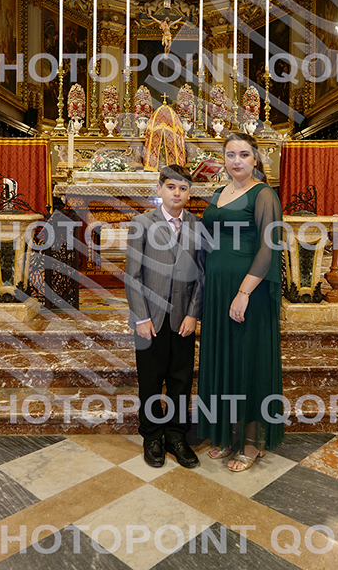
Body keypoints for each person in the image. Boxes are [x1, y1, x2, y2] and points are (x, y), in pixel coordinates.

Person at [197, 132, 284, 471]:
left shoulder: (263, 194)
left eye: (244, 154)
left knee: (248, 361)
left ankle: (250, 442)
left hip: (249, 290)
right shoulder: (219, 193)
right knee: (223, 358)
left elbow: (269, 246)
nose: (236, 161)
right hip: (218, 289)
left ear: (256, 159)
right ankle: (226, 434)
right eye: (230, 154)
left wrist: (244, 292)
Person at [124, 164, 205, 469]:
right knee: (150, 379)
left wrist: (193, 314)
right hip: (150, 318)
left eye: (183, 188)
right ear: (159, 189)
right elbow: (132, 275)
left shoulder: (197, 226)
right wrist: (141, 318)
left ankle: (176, 435)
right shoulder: (142, 223)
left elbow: (201, 275)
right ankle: (152, 435)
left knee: (180, 380)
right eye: (171, 187)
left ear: (189, 193)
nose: (177, 193)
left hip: (182, 318)